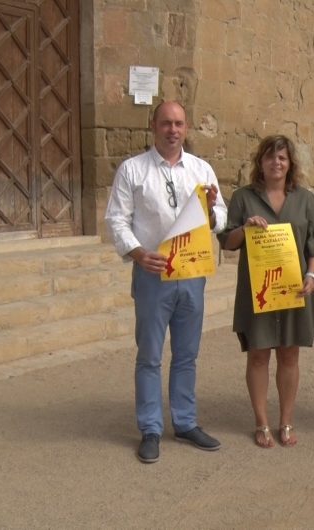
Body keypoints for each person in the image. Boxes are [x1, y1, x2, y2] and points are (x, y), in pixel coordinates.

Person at [105, 100, 228, 463]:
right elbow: (116, 220)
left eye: (178, 124)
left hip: (191, 276)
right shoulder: (133, 170)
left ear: (186, 128)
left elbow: (220, 217)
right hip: (153, 275)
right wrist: (139, 253)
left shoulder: (201, 169)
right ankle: (150, 428)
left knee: (187, 354)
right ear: (153, 126)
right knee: (150, 355)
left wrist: (213, 210)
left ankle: (186, 422)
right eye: (165, 123)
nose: (172, 130)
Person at [218, 135, 314, 449]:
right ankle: (262, 423)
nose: (276, 163)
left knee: (290, 355)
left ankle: (287, 421)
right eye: (270, 157)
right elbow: (227, 241)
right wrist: (245, 229)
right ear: (260, 162)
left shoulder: (304, 198)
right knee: (258, 355)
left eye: (282, 158)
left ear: (290, 163)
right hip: (260, 291)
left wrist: (311, 274)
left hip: (294, 290)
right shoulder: (243, 198)